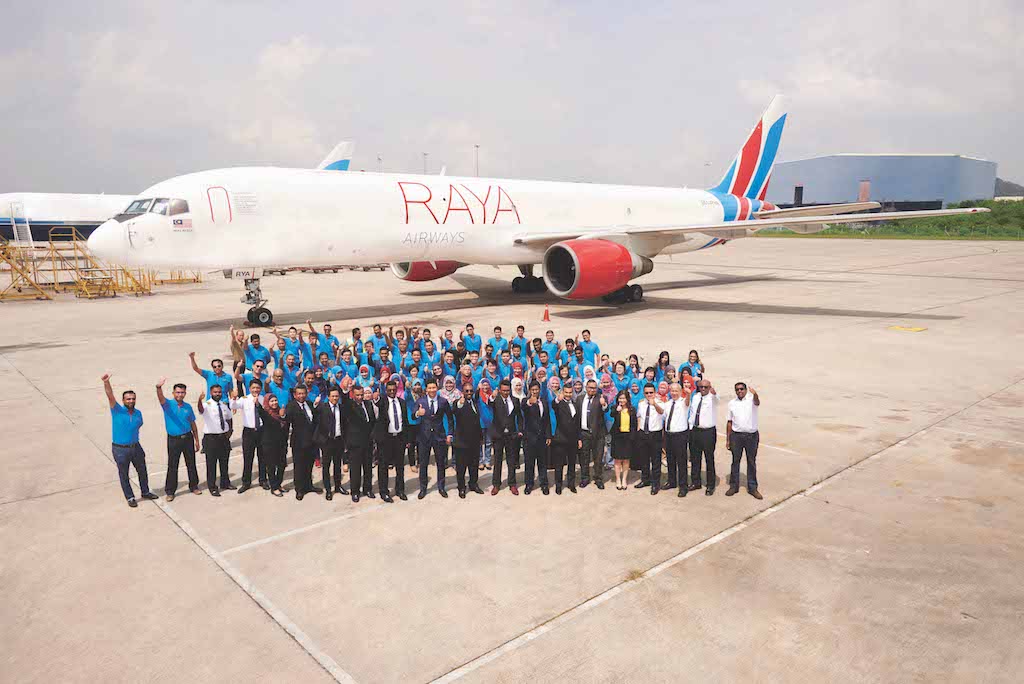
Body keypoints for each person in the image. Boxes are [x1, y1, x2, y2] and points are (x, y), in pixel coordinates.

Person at [103, 374, 156, 507]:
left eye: (133, 399)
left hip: (136, 447)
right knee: (124, 474)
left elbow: (139, 424)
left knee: (142, 471)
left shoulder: (138, 413)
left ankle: (145, 492)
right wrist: (106, 382)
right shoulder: (117, 410)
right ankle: (130, 497)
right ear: (123, 400)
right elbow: (110, 395)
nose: (131, 401)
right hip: (120, 449)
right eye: (128, 399)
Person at [156, 378, 201, 501]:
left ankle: (194, 486)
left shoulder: (188, 407)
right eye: (178, 392)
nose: (180, 394)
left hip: (187, 438)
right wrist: (158, 388)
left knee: (191, 464)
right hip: (174, 440)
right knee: (172, 465)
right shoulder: (167, 404)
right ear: (173, 393)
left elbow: (193, 424)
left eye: (182, 392)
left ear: (185, 393)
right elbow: (160, 398)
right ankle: (170, 491)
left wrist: (197, 440)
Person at [414, 378, 454, 498]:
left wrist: (449, 434)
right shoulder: (420, 401)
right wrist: (418, 413)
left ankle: (441, 487)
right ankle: (423, 488)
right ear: (426, 389)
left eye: (434, 387)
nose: (432, 390)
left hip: (439, 436)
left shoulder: (443, 401)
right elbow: (413, 415)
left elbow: (450, 418)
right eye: (429, 388)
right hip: (424, 436)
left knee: (441, 463)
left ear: (437, 388)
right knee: (423, 463)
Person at [374, 379, 410, 501]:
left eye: (394, 390)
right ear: (386, 391)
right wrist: (376, 396)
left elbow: (405, 421)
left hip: (399, 438)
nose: (392, 392)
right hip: (386, 439)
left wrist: (407, 439)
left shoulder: (402, 402)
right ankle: (384, 491)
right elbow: (376, 402)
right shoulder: (383, 402)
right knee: (383, 466)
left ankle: (400, 490)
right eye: (389, 390)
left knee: (400, 466)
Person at [231, 379, 268, 493]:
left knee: (263, 457)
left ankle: (263, 480)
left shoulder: (263, 399)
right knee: (248, 458)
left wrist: (258, 404)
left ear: (261, 388)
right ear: (249, 388)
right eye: (253, 388)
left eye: (258, 388)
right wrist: (234, 397)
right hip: (249, 432)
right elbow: (233, 405)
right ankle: (246, 482)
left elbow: (266, 413)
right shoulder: (244, 399)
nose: (255, 390)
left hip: (261, 431)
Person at [727, 383, 762, 499]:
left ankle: (753, 488)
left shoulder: (752, 400)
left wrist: (755, 394)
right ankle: (733, 486)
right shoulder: (732, 403)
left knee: (751, 461)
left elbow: (757, 402)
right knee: (735, 461)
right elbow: (729, 422)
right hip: (736, 436)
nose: (740, 391)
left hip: (751, 436)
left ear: (746, 390)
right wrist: (728, 439)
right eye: (737, 389)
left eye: (742, 389)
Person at [285, 385, 320, 500]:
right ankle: (299, 489)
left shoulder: (309, 404)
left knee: (309, 465)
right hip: (299, 442)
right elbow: (286, 420)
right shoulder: (291, 406)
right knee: (299, 466)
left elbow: (314, 420)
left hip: (311, 441)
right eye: (299, 394)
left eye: (303, 393)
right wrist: (282, 415)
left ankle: (309, 486)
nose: (301, 396)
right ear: (295, 395)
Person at [197, 385, 233, 496]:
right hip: (211, 438)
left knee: (224, 462)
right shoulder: (206, 404)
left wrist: (230, 430)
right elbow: (200, 410)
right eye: (215, 392)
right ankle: (212, 487)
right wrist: (199, 400)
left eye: (219, 392)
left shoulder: (223, 405)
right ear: (211, 393)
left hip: (223, 438)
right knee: (211, 464)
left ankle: (225, 483)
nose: (217, 394)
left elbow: (229, 417)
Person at [342, 385, 376, 501]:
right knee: (355, 469)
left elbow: (372, 420)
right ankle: (355, 492)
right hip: (355, 442)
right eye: (357, 395)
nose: (360, 397)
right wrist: (346, 391)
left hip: (368, 441)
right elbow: (345, 401)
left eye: (362, 394)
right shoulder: (350, 405)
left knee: (368, 467)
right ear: (353, 394)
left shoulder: (368, 404)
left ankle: (368, 489)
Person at [315, 387, 350, 500]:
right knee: (326, 466)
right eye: (333, 396)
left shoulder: (341, 408)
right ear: (328, 397)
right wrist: (316, 404)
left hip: (338, 440)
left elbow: (344, 423)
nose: (335, 398)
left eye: (336, 396)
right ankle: (328, 489)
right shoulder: (322, 407)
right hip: (327, 441)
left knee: (337, 465)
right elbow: (314, 417)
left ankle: (338, 486)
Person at [488, 379, 522, 495]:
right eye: (503, 390)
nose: (506, 393)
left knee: (511, 461)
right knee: (497, 460)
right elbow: (489, 403)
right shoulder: (495, 400)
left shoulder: (515, 400)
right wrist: (492, 396)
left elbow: (519, 416)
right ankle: (496, 484)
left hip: (511, 435)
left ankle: (512, 484)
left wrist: (520, 430)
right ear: (500, 390)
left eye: (507, 390)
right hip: (498, 435)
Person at [452, 383, 485, 498]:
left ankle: (473, 484)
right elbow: (455, 410)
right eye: (467, 391)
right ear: (463, 392)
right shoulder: (458, 403)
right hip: (462, 441)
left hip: (474, 441)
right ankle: (461, 487)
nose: (469, 393)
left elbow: (477, 422)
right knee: (461, 467)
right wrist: (460, 404)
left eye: (471, 391)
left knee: (474, 465)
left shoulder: (474, 403)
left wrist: (481, 438)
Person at [574, 379, 607, 489]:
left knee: (598, 458)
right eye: (590, 387)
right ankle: (585, 478)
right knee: (584, 457)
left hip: (598, 434)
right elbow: (577, 418)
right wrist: (578, 436)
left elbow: (605, 409)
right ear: (586, 388)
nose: (592, 390)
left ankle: (598, 478)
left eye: (594, 388)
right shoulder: (580, 399)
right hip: (584, 433)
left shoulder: (601, 398)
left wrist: (604, 404)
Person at [688, 379, 719, 495]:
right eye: (701, 387)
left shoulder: (713, 398)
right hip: (695, 430)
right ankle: (696, 482)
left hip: (708, 432)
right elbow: (692, 412)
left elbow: (717, 400)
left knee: (709, 459)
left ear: (710, 387)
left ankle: (710, 485)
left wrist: (714, 393)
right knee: (695, 458)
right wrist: (691, 427)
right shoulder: (696, 397)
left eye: (706, 387)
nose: (703, 389)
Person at [520, 381, 551, 495]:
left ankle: (544, 484)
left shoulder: (544, 401)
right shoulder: (525, 401)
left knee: (542, 463)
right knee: (529, 463)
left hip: (542, 437)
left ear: (539, 390)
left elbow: (547, 420)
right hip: (529, 438)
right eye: (532, 390)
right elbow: (523, 407)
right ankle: (529, 484)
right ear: (529, 390)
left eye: (536, 389)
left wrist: (548, 435)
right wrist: (529, 402)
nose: (535, 392)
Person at [551, 384, 581, 494]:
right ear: (563, 393)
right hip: (561, 438)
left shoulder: (575, 404)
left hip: (573, 439)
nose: (568, 395)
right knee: (559, 464)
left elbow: (577, 423)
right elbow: (554, 405)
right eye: (566, 392)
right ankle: (558, 485)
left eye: (570, 392)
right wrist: (557, 400)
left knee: (572, 463)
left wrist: (579, 438)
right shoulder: (559, 403)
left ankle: (571, 484)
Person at [256, 394, 288, 496]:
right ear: (267, 403)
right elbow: (261, 411)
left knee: (282, 465)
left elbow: (285, 425)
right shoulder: (266, 413)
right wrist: (257, 404)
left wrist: (282, 416)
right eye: (271, 401)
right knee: (271, 466)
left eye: (275, 400)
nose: (274, 403)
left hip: (281, 444)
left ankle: (278, 484)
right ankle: (274, 487)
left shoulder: (281, 412)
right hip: (269, 444)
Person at [635, 383, 665, 493]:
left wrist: (654, 404)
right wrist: (639, 428)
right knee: (644, 458)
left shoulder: (660, 403)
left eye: (651, 392)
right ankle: (645, 479)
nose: (649, 395)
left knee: (656, 460)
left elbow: (662, 412)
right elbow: (639, 416)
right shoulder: (641, 403)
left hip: (655, 434)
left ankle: (655, 483)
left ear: (655, 392)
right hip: (643, 433)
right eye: (646, 393)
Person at [663, 382, 691, 497]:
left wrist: (688, 394)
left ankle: (683, 486)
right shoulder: (667, 403)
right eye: (672, 391)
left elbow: (687, 402)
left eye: (676, 391)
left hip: (680, 435)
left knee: (681, 461)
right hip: (669, 434)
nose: (674, 393)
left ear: (680, 392)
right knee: (670, 460)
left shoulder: (683, 402)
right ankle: (672, 481)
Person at [609, 391, 636, 491]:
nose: (622, 400)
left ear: (627, 399)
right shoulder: (615, 407)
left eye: (624, 398)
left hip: (628, 437)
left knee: (626, 459)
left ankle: (624, 479)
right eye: (620, 398)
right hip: (617, 437)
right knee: (617, 459)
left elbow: (634, 423)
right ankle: (618, 479)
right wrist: (617, 410)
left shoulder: (632, 409)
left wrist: (633, 436)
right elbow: (612, 415)